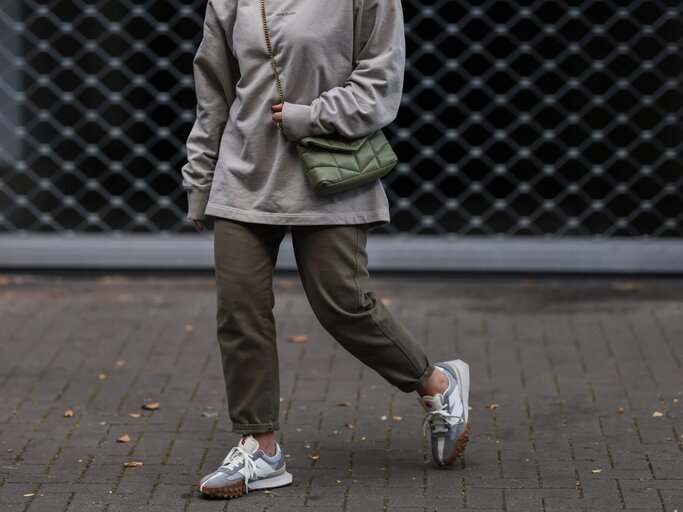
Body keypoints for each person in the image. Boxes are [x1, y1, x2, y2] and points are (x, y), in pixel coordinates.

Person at [181, 0, 471, 500]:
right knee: (240, 309)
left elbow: (381, 84)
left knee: (342, 304)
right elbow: (214, 93)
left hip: (330, 170)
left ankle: (436, 385)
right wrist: (201, 179)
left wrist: (310, 115)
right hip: (243, 176)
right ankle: (261, 447)